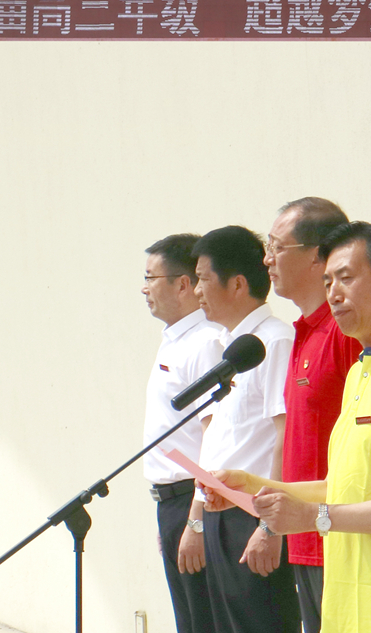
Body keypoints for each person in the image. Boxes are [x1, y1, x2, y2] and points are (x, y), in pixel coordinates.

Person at [204, 221, 371, 633]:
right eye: (327, 280)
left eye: (346, 277)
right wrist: (254, 486)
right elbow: (345, 487)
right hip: (349, 606)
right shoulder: (362, 369)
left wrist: (315, 517)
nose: (333, 293)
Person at [191, 226, 300, 633]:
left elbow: (284, 436)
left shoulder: (274, 341)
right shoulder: (229, 347)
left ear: (237, 283)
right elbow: (219, 440)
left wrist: (270, 526)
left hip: (252, 515)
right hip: (219, 511)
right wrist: (197, 517)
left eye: (202, 279)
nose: (196, 291)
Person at [263, 198, 362, 633]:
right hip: (303, 538)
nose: (267, 259)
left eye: (276, 247)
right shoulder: (303, 332)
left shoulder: (345, 333)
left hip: (339, 536)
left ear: (318, 256)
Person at [140, 234, 220, 633]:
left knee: (202, 621)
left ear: (183, 284)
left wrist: (196, 519)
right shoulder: (175, 339)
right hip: (172, 503)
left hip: (194, 499)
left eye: (150, 278)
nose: (144, 289)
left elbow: (214, 435)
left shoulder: (205, 343)